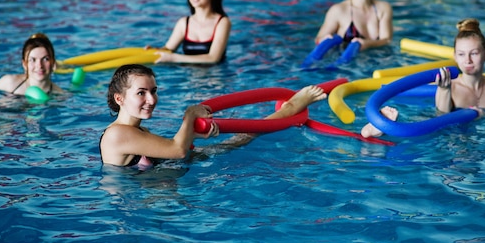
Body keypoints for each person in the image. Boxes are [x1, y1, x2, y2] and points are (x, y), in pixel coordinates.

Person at [99, 64, 327, 167]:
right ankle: (291, 108)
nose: (151, 99)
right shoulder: (117, 135)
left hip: (173, 186)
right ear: (120, 99)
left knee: (246, 135)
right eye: (141, 93)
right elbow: (176, 151)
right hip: (155, 210)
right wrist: (190, 116)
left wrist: (194, 136)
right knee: (246, 135)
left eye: (154, 91)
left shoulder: (135, 131)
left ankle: (290, 109)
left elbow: (174, 151)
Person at [360, 18, 485, 138]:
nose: (468, 60)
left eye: (474, 53)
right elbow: (441, 118)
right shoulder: (452, 85)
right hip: (448, 133)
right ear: (455, 57)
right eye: (462, 54)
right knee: (420, 126)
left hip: (479, 134)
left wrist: (482, 117)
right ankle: (381, 127)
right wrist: (444, 89)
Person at [154, 0, 231, 64]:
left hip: (215, 76)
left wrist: (174, 58)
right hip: (189, 76)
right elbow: (168, 50)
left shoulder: (223, 22)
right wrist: (153, 51)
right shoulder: (183, 23)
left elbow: (213, 58)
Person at [0, 33, 64, 96]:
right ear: (24, 64)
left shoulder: (59, 95)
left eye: (45, 59)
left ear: (53, 62)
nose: (39, 65)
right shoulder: (9, 83)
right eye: (32, 60)